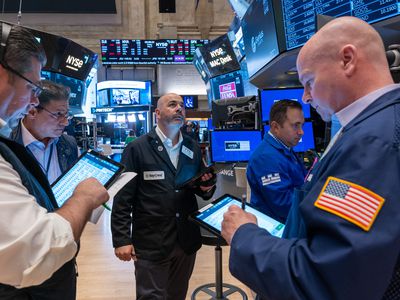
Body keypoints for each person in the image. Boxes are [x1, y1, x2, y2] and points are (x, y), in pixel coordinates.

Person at [221, 16, 400, 300]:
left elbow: (329, 278)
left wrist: (245, 235)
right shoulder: (373, 128)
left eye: (309, 81)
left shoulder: (371, 143)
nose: (306, 97)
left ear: (347, 60)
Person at [0, 23, 109, 299]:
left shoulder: (67, 145)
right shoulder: (8, 143)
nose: (31, 101)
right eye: (31, 87)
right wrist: (83, 198)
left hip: (61, 266)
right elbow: (35, 250)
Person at [111, 93, 216, 300]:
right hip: (151, 241)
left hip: (185, 240)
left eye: (181, 106)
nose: (179, 108)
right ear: (157, 113)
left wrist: (206, 187)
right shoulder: (137, 148)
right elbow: (123, 197)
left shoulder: (192, 147)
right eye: (172, 104)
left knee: (177, 295)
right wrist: (121, 239)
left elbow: (200, 186)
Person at [246, 100, 306, 223]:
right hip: (278, 230)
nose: (301, 132)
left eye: (302, 125)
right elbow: (284, 205)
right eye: (295, 125)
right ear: (275, 127)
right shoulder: (265, 158)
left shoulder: (284, 148)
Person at [10, 80, 78, 184]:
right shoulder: (8, 145)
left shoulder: (69, 144)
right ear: (32, 111)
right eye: (58, 114)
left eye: (66, 114)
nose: (65, 123)